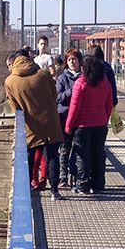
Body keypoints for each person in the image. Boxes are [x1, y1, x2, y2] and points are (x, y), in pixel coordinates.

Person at [5, 48, 65, 200]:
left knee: (29, 157)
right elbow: (54, 94)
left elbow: (15, 108)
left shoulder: (10, 81)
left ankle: (28, 189)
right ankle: (55, 191)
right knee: (52, 156)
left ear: (13, 63)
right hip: (50, 121)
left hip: (30, 124)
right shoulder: (44, 74)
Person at [66, 54, 115, 195]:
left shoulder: (81, 83)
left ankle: (83, 184)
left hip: (82, 126)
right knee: (98, 154)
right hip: (100, 125)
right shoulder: (105, 82)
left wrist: (69, 126)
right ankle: (99, 184)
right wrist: (104, 120)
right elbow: (109, 104)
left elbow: (74, 107)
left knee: (82, 156)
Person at [55, 50, 84, 188]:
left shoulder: (84, 78)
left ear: (79, 61)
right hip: (64, 117)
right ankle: (63, 177)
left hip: (79, 118)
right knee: (64, 148)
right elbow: (57, 97)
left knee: (78, 149)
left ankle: (75, 175)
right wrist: (71, 92)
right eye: (69, 60)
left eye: (74, 59)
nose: (72, 62)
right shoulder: (62, 78)